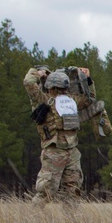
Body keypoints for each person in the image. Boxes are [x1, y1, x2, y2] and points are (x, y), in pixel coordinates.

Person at [24, 66, 89, 202]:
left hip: (72, 150)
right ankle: (33, 220)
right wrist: (38, 73)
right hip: (54, 150)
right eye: (60, 89)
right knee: (46, 190)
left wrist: (86, 79)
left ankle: (71, 222)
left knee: (73, 191)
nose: (63, 91)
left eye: (64, 89)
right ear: (51, 88)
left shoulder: (71, 100)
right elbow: (29, 82)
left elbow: (89, 98)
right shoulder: (43, 99)